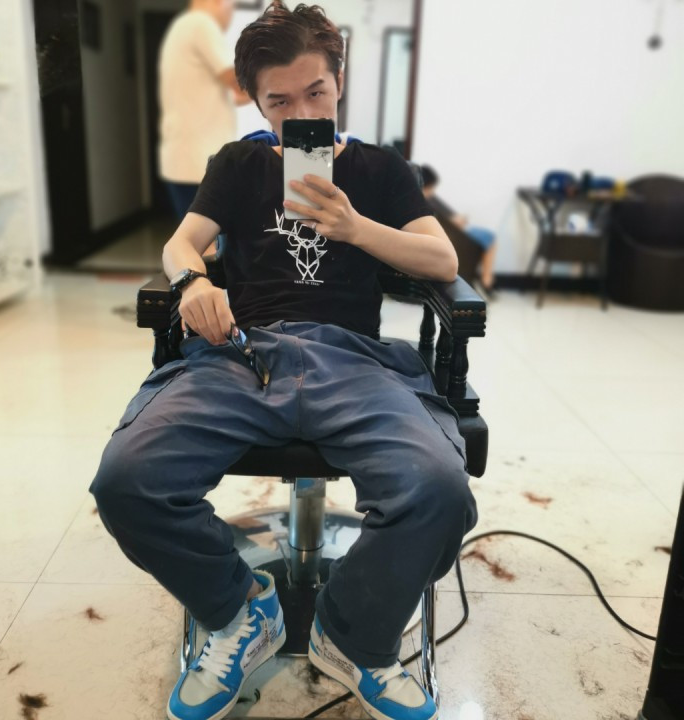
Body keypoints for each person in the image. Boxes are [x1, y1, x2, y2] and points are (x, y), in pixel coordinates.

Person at [91, 4, 478, 720]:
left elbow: (442, 260)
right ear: (255, 100)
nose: (302, 114)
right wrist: (194, 283)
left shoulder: (379, 169)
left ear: (340, 83)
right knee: (126, 481)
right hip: (244, 354)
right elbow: (180, 244)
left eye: (316, 93)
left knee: (438, 489)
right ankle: (240, 611)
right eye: (279, 101)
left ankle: (352, 634)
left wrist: (355, 227)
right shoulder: (238, 165)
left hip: (353, 359)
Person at [158, 0, 250, 221]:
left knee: (195, 236)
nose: (231, 14)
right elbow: (239, 82)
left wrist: (271, 95)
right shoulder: (201, 24)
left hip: (185, 160)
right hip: (197, 162)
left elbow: (235, 96)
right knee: (205, 240)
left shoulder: (183, 27)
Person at [420, 164, 498, 297]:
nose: (432, 191)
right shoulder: (426, 203)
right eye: (431, 187)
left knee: (489, 237)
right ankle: (486, 280)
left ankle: (486, 279)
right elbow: (451, 221)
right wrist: (458, 220)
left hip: (457, 231)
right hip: (456, 233)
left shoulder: (431, 199)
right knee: (490, 238)